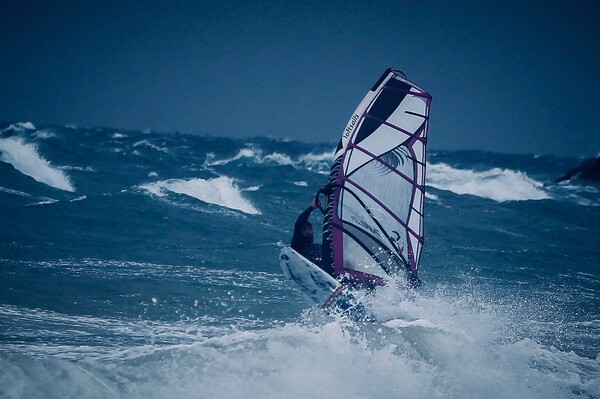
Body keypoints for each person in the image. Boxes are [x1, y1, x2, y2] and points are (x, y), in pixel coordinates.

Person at [291, 200, 323, 268]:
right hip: (301, 261)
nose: (308, 231)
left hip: (316, 263)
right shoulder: (297, 243)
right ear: (301, 231)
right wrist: (311, 207)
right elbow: (299, 223)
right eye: (305, 229)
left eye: (309, 229)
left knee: (324, 248)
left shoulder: (312, 246)